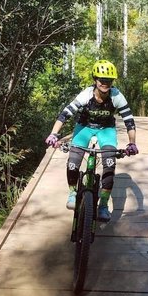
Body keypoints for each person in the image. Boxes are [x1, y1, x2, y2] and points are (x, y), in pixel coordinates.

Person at [45, 59, 138, 222]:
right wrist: (54, 134)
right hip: (84, 127)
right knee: (73, 161)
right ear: (95, 80)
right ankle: (73, 193)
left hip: (106, 130)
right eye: (102, 80)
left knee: (109, 164)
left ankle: (102, 205)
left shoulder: (116, 96)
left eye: (109, 81)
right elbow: (65, 114)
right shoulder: (86, 95)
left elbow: (129, 120)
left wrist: (132, 143)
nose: (105, 84)